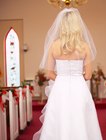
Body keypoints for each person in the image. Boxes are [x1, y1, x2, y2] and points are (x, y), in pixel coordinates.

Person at [33, 8, 102, 140]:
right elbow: (88, 76)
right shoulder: (84, 47)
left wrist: (61, 78)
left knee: (60, 119)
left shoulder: (54, 46)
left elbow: (49, 73)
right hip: (79, 88)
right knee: (80, 119)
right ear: (77, 25)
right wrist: (76, 76)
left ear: (62, 26)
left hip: (60, 88)